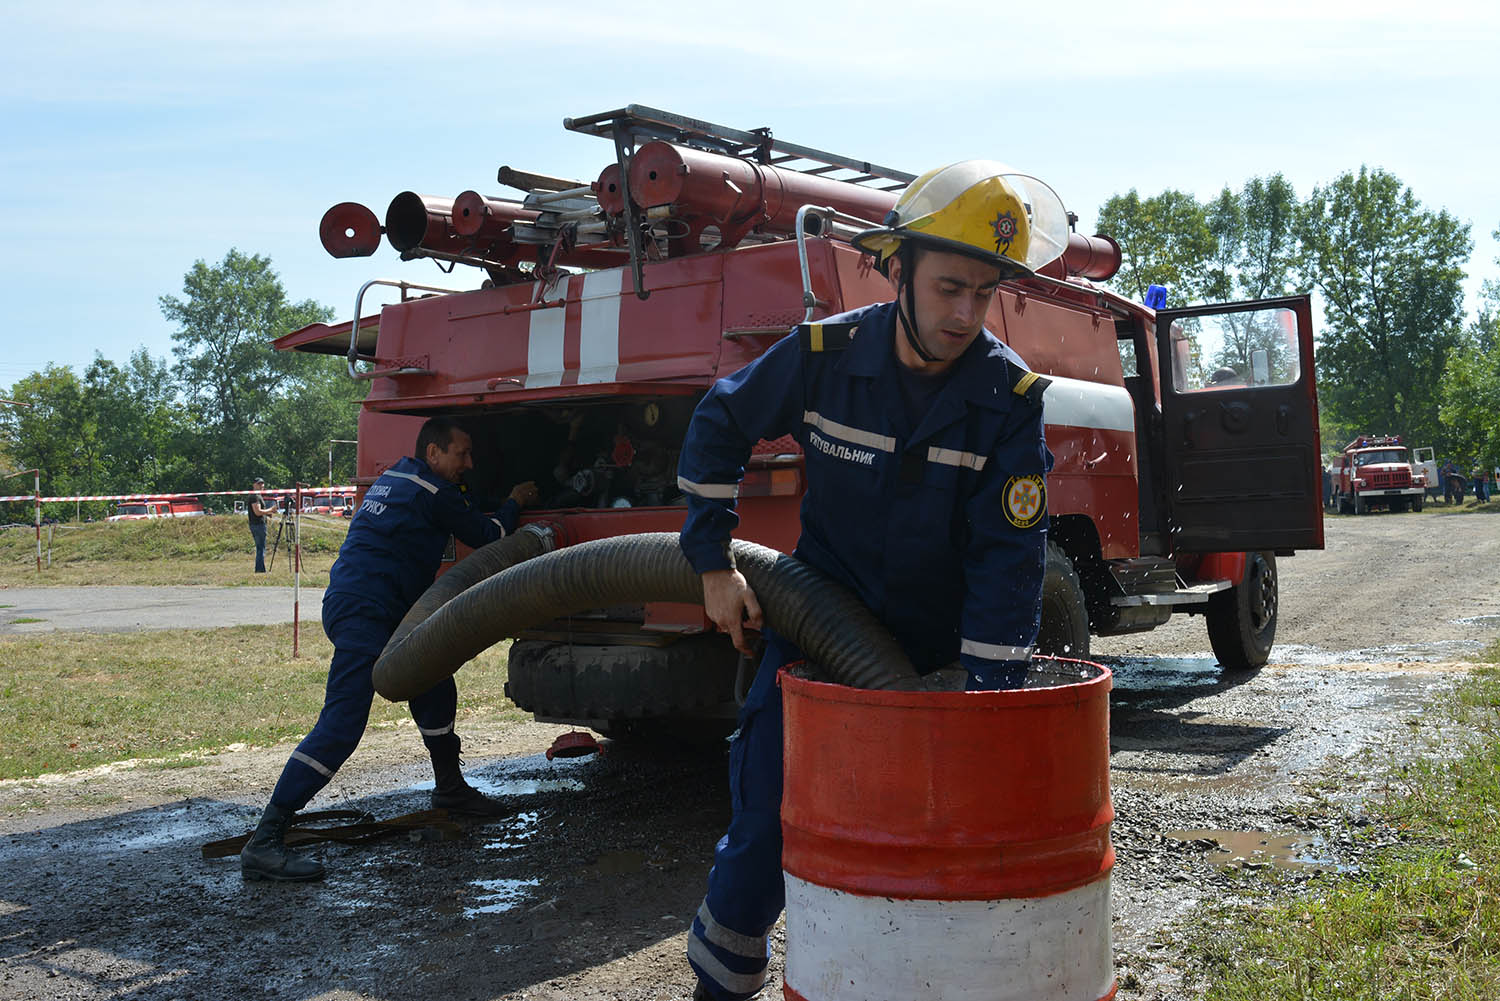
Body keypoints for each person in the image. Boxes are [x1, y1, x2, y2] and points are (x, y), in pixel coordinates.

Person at [674, 162, 1063, 1000]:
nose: (965, 313)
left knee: (935, 846)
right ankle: (719, 987)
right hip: (817, 639)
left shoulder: (1009, 399)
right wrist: (711, 562)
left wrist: (987, 702)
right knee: (764, 828)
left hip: (937, 664)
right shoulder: (823, 358)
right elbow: (720, 421)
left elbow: (1009, 559)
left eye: (983, 294)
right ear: (899, 269)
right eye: (950, 286)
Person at [241, 417, 540, 882]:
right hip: (367, 609)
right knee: (341, 725)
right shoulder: (432, 492)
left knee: (434, 678)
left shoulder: (398, 476)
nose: (470, 463)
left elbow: (453, 509)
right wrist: (515, 503)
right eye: (461, 454)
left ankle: (450, 789)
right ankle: (265, 840)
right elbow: (491, 535)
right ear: (435, 453)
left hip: (373, 604)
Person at [247, 478, 277, 573]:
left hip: (258, 524)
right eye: (259, 484)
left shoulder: (258, 496)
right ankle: (260, 569)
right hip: (258, 525)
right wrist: (270, 510)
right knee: (260, 548)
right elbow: (257, 512)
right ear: (254, 485)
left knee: (260, 548)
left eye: (262, 484)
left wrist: (267, 513)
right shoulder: (254, 496)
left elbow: (259, 511)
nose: (261, 486)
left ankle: (260, 568)